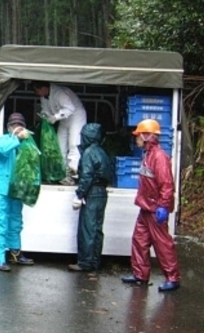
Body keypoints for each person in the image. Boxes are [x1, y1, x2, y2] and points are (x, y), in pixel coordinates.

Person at [121, 119, 180, 292]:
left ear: (146, 136)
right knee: (139, 241)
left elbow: (167, 184)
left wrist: (163, 206)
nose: (136, 139)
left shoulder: (158, 157)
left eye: (138, 135)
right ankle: (140, 274)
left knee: (162, 244)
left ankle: (172, 278)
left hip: (154, 209)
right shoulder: (148, 154)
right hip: (146, 208)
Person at [0, 112, 34, 271]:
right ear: (9, 127)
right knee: (0, 223)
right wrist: (17, 138)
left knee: (15, 222)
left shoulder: (27, 142)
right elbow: (2, 150)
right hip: (0, 189)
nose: (17, 128)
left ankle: (15, 252)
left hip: (16, 189)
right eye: (14, 125)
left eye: (20, 125)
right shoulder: (3, 140)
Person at [68, 122, 113, 272]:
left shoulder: (88, 153)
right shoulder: (102, 151)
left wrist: (79, 194)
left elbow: (87, 176)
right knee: (97, 229)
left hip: (91, 193)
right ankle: (94, 261)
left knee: (87, 228)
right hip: (101, 193)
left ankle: (85, 263)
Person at [32, 81, 87, 185]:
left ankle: (72, 175)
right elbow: (46, 109)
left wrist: (55, 117)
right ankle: (61, 174)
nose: (37, 93)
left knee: (73, 145)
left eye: (37, 90)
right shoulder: (44, 96)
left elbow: (70, 108)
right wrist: (45, 115)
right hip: (63, 120)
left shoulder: (60, 92)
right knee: (60, 147)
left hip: (76, 117)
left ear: (44, 87)